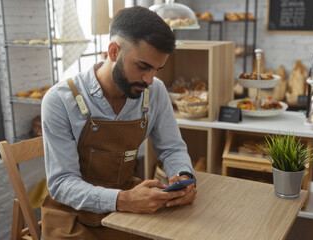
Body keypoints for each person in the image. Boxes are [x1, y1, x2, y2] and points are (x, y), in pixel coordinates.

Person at [41, 6, 197, 239]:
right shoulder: (60, 100)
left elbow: (172, 148)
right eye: (143, 66)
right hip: (72, 214)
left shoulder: (155, 91)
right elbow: (62, 183)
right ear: (113, 51)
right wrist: (122, 200)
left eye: (157, 69)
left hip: (129, 204)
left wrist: (183, 177)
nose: (150, 79)